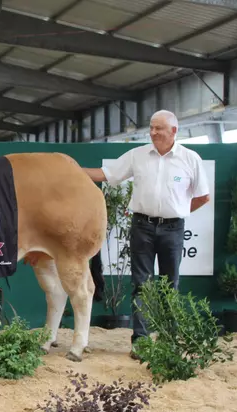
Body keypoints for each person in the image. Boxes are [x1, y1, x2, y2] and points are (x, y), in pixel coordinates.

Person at [82, 110, 211, 358]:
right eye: (151, 128)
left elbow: (203, 196)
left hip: (173, 228)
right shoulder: (137, 155)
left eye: (158, 128)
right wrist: (71, 168)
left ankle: (169, 339)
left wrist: (180, 211)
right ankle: (140, 341)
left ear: (174, 131)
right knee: (141, 285)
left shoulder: (190, 158)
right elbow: (107, 175)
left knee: (169, 285)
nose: (153, 133)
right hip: (142, 227)